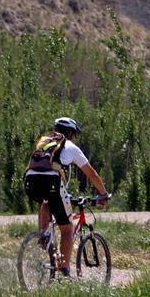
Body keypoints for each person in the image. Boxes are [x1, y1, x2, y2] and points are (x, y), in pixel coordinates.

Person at [24, 117, 109, 277]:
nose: (75, 138)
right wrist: (103, 194)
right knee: (67, 229)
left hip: (30, 179)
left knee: (45, 200)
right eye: (75, 134)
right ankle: (65, 271)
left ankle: (44, 236)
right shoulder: (70, 147)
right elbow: (91, 174)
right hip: (51, 181)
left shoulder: (44, 142)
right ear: (70, 133)